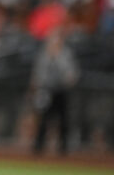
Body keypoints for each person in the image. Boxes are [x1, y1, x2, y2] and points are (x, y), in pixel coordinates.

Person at [30, 27, 80, 155]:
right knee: (44, 119)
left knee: (63, 119)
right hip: (46, 90)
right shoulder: (44, 54)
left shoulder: (65, 54)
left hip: (61, 91)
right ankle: (38, 146)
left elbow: (71, 75)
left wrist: (57, 57)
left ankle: (63, 148)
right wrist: (36, 88)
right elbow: (38, 73)